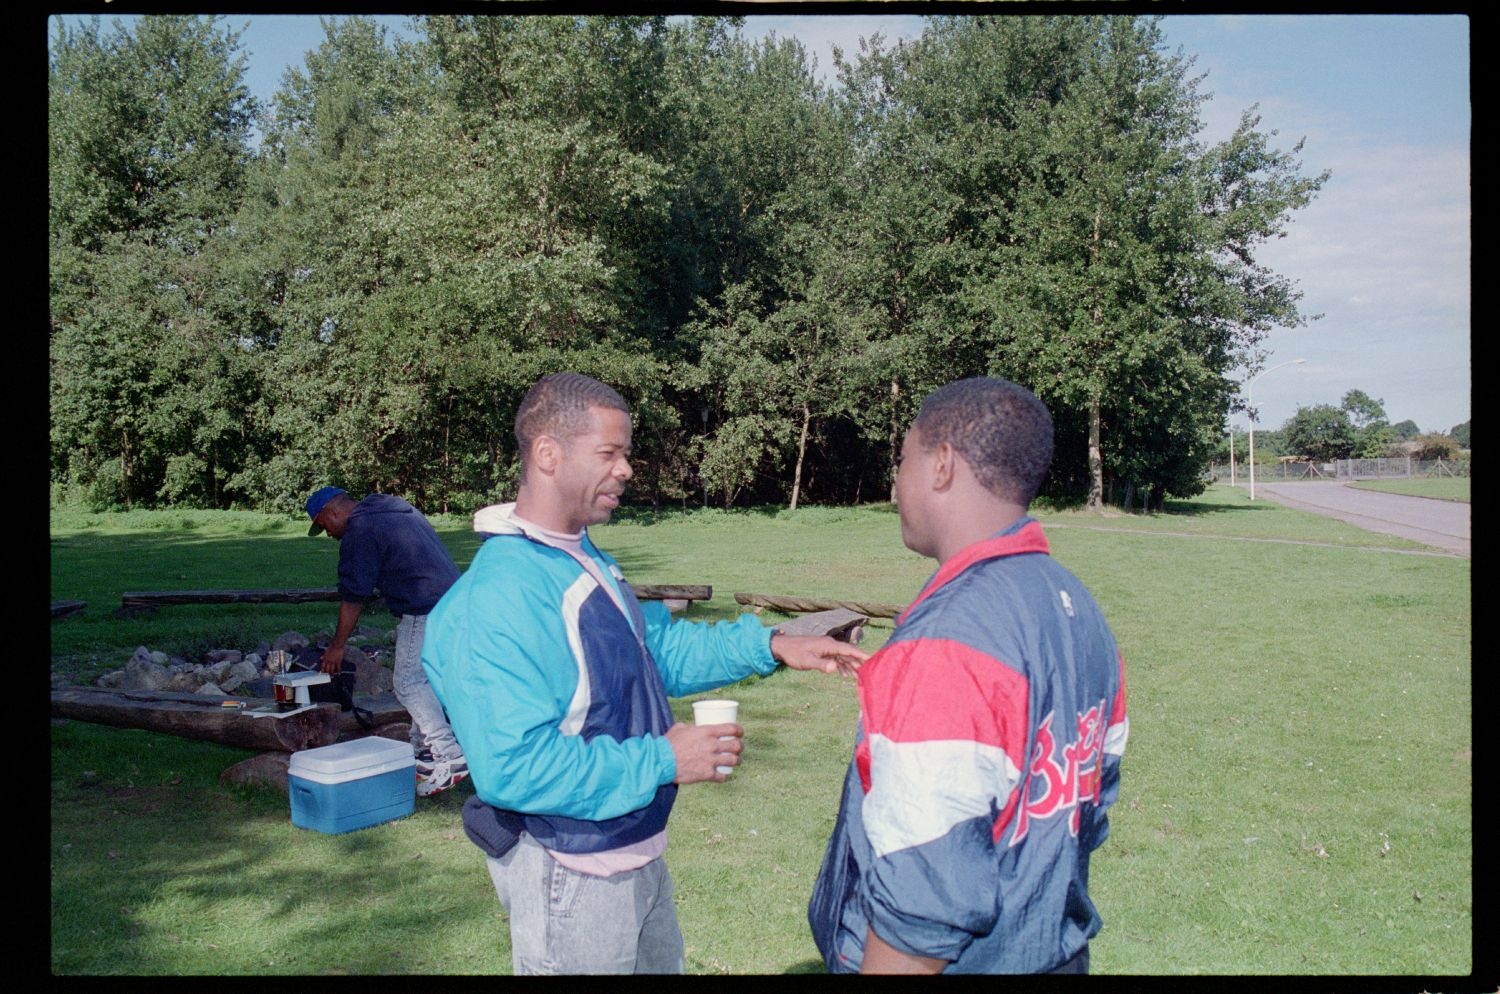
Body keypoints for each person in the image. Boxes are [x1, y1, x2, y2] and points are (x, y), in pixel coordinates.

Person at [421, 372, 868, 975]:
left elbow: (651, 655)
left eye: (625, 453)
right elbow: (513, 769)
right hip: (569, 869)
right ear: (548, 454)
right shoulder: (499, 597)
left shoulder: (578, 557)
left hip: (631, 849)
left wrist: (775, 644)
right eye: (609, 453)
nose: (627, 469)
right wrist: (663, 760)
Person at [806, 376, 1129, 974]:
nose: (895, 481)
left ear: (942, 465)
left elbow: (923, 897)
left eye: (902, 459)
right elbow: (1092, 799)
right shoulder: (1077, 604)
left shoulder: (944, 643)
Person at [305, 485, 468, 796]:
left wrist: (337, 646)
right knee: (427, 680)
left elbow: (354, 595)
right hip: (457, 602)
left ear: (332, 513)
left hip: (425, 606)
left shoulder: (361, 530)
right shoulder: (393, 508)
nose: (328, 535)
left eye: (324, 526)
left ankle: (449, 756)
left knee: (407, 683)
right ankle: (424, 756)